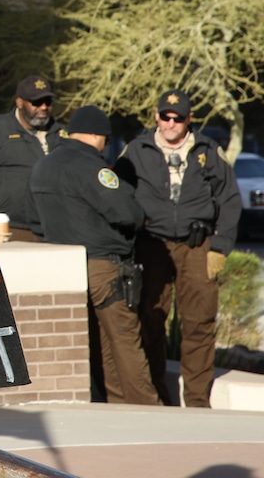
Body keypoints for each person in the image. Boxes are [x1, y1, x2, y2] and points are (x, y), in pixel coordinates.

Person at [115, 90, 241, 407]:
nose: (171, 123)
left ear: (189, 119)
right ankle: (158, 396)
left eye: (178, 118)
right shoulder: (136, 150)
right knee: (150, 320)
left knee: (199, 323)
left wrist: (220, 247)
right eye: (165, 116)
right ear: (156, 116)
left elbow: (229, 200)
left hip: (196, 246)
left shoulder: (208, 151)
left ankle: (197, 401)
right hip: (151, 246)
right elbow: (116, 194)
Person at [31, 105, 158, 405]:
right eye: (105, 138)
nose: (105, 144)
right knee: (124, 339)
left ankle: (116, 404)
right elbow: (127, 213)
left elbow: (32, 218)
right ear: (96, 135)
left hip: (65, 266)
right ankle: (148, 409)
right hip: (104, 266)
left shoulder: (43, 166)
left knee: (98, 343)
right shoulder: (91, 167)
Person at [0, 75, 64, 242]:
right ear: (19, 102)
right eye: (36, 102)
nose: (44, 107)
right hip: (8, 228)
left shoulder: (61, 134)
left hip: (53, 229)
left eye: (48, 102)